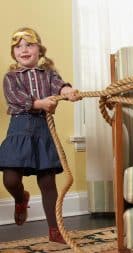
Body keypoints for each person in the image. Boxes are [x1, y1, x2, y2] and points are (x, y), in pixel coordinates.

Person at [0, 27, 81, 244]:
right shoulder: (11, 77)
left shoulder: (49, 75)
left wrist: (67, 92)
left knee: (47, 183)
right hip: (19, 130)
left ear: (39, 49)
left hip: (43, 130)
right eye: (18, 47)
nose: (24, 50)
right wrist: (39, 103)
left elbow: (59, 86)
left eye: (29, 45)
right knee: (10, 178)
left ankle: (55, 229)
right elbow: (15, 98)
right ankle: (20, 198)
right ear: (13, 52)